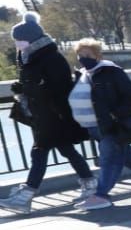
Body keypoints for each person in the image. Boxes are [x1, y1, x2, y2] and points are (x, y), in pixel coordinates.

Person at [0, 13, 96, 214]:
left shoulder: (50, 58)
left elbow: (60, 88)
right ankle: (90, 184)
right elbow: (37, 83)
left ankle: (26, 196)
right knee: (66, 149)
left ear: (30, 39)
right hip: (44, 114)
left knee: (39, 151)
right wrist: (23, 88)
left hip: (53, 114)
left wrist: (29, 89)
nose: (16, 44)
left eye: (18, 39)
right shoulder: (31, 57)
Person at [71, 38, 131, 210]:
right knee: (128, 156)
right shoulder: (83, 75)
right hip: (95, 128)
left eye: (87, 54)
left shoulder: (111, 72)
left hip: (112, 127)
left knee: (109, 159)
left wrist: (114, 115)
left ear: (98, 55)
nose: (82, 58)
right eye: (79, 54)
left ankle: (101, 195)